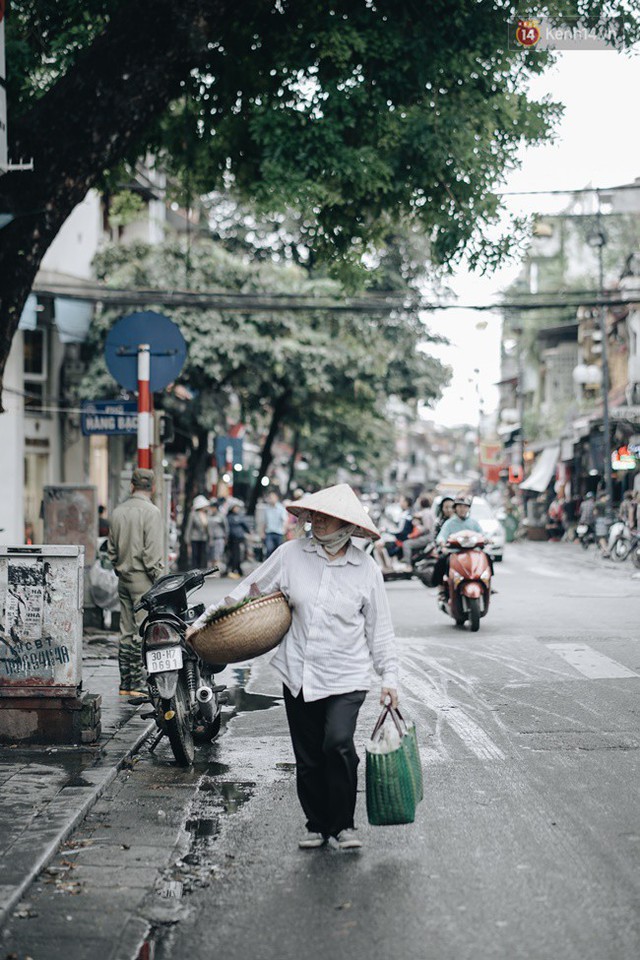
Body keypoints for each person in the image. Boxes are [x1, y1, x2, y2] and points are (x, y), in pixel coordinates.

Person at [188, 483, 398, 850]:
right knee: (309, 755)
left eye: (325, 517)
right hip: (299, 673)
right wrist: (204, 623)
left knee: (338, 745)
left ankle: (344, 825)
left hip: (347, 675)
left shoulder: (365, 570)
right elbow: (247, 591)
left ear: (346, 525)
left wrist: (389, 677)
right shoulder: (290, 555)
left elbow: (380, 629)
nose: (315, 520)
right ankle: (317, 825)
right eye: (313, 514)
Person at [107, 468, 163, 696]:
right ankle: (139, 684)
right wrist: (159, 581)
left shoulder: (118, 512)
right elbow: (152, 555)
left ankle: (126, 683)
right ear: (153, 487)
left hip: (123, 578)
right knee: (142, 632)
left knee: (126, 630)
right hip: (143, 579)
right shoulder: (152, 512)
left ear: (131, 485)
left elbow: (110, 551)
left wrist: (120, 567)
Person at [433, 494, 484, 604]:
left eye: (465, 507)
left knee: (487, 557)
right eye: (460, 507)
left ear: (468, 508)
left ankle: (485, 582)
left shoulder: (473, 523)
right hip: (454, 553)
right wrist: (442, 542)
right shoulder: (449, 523)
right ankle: (442, 588)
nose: (462, 509)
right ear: (455, 508)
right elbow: (442, 536)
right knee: (442, 561)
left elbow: (482, 535)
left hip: (472, 552)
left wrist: (487, 540)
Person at [226, 501, 251, 578]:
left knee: (238, 554)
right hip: (231, 538)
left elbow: (245, 526)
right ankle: (234, 569)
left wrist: (249, 532)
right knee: (232, 554)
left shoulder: (239, 516)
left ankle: (236, 569)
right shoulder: (228, 517)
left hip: (239, 538)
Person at [185, 495, 210, 569]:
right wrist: (187, 540)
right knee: (195, 555)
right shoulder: (193, 514)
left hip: (204, 538)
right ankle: (194, 569)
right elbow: (189, 527)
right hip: (195, 538)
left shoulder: (207, 514)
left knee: (203, 555)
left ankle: (202, 569)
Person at [262, 490, 288, 557]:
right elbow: (265, 522)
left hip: (278, 532)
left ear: (276, 498)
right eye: (270, 497)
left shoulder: (281, 508)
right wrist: (263, 532)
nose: (270, 499)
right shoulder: (266, 509)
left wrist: (284, 529)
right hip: (269, 532)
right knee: (269, 549)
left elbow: (285, 520)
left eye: (272, 497)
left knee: (278, 551)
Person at [207, 499, 228, 571]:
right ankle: (212, 571)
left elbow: (226, 528)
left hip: (219, 538)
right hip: (211, 539)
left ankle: (217, 571)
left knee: (218, 556)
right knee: (211, 556)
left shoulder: (221, 516)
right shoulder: (209, 516)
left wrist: (226, 538)